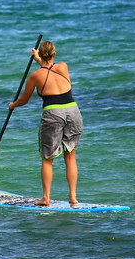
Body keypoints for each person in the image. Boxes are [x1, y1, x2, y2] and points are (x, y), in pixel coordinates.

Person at [8, 40, 83, 206]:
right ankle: (73, 197)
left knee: (47, 158)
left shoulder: (35, 76)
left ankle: (46, 198)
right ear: (54, 54)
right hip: (73, 111)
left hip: (53, 113)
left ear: (41, 54)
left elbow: (24, 100)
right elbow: (49, 67)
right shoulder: (63, 67)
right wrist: (39, 59)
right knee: (70, 155)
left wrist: (13, 105)